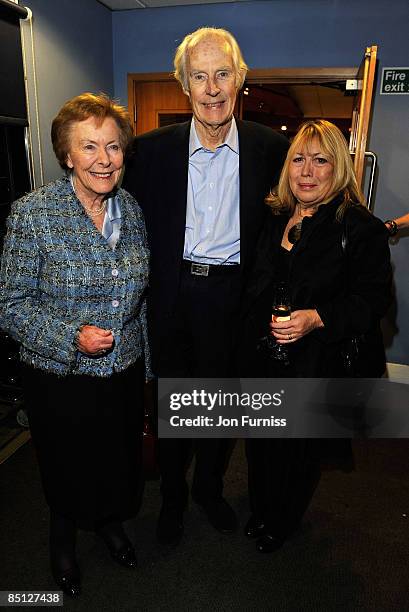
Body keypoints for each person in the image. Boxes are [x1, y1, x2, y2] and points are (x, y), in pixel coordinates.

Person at [123, 27, 288, 546]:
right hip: (173, 297)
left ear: (240, 80)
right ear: (183, 86)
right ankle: (172, 497)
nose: (213, 88)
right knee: (174, 406)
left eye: (223, 74)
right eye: (200, 76)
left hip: (236, 300)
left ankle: (209, 489)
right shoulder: (148, 153)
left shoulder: (272, 149)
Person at [0, 93, 150, 596]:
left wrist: (144, 364)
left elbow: (140, 295)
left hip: (123, 371)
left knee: (115, 459)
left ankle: (108, 523)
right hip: (59, 376)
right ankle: (61, 538)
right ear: (67, 155)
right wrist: (71, 337)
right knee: (68, 465)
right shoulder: (32, 214)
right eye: (89, 147)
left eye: (113, 147)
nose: (104, 160)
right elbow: (12, 305)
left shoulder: (131, 208)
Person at [238, 119, 392, 553]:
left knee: (297, 452)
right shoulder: (273, 217)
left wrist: (317, 317)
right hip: (262, 357)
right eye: (298, 160)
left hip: (314, 364)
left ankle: (280, 522)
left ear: (337, 168)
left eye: (320, 160)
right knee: (260, 444)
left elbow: (372, 301)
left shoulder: (358, 227)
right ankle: (260, 509)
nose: (307, 171)